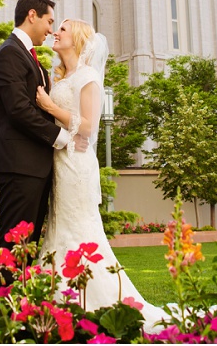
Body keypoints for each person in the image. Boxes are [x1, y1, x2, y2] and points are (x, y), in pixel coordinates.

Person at [36, 18, 165, 321]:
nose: (57, 32)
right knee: (59, 227)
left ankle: (91, 301)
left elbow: (89, 127)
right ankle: (58, 300)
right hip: (61, 162)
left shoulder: (88, 76)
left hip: (76, 167)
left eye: (63, 29)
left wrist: (49, 106)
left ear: (77, 39)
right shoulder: (63, 76)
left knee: (78, 231)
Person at [0, 0, 72, 249]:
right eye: (49, 21)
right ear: (32, 15)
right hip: (18, 164)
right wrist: (61, 137)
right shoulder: (9, 53)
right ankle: (3, 291)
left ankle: (20, 290)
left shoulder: (30, 58)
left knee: (28, 244)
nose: (51, 29)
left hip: (34, 165)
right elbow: (19, 110)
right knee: (13, 240)